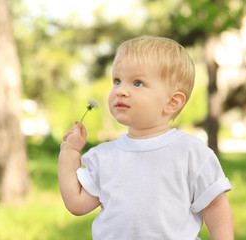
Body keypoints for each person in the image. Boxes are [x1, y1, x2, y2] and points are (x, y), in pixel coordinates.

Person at [58, 36, 234, 240]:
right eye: (117, 81)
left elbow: (215, 205)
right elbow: (77, 204)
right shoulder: (104, 156)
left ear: (172, 102)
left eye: (138, 83)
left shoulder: (191, 152)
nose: (121, 91)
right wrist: (69, 153)